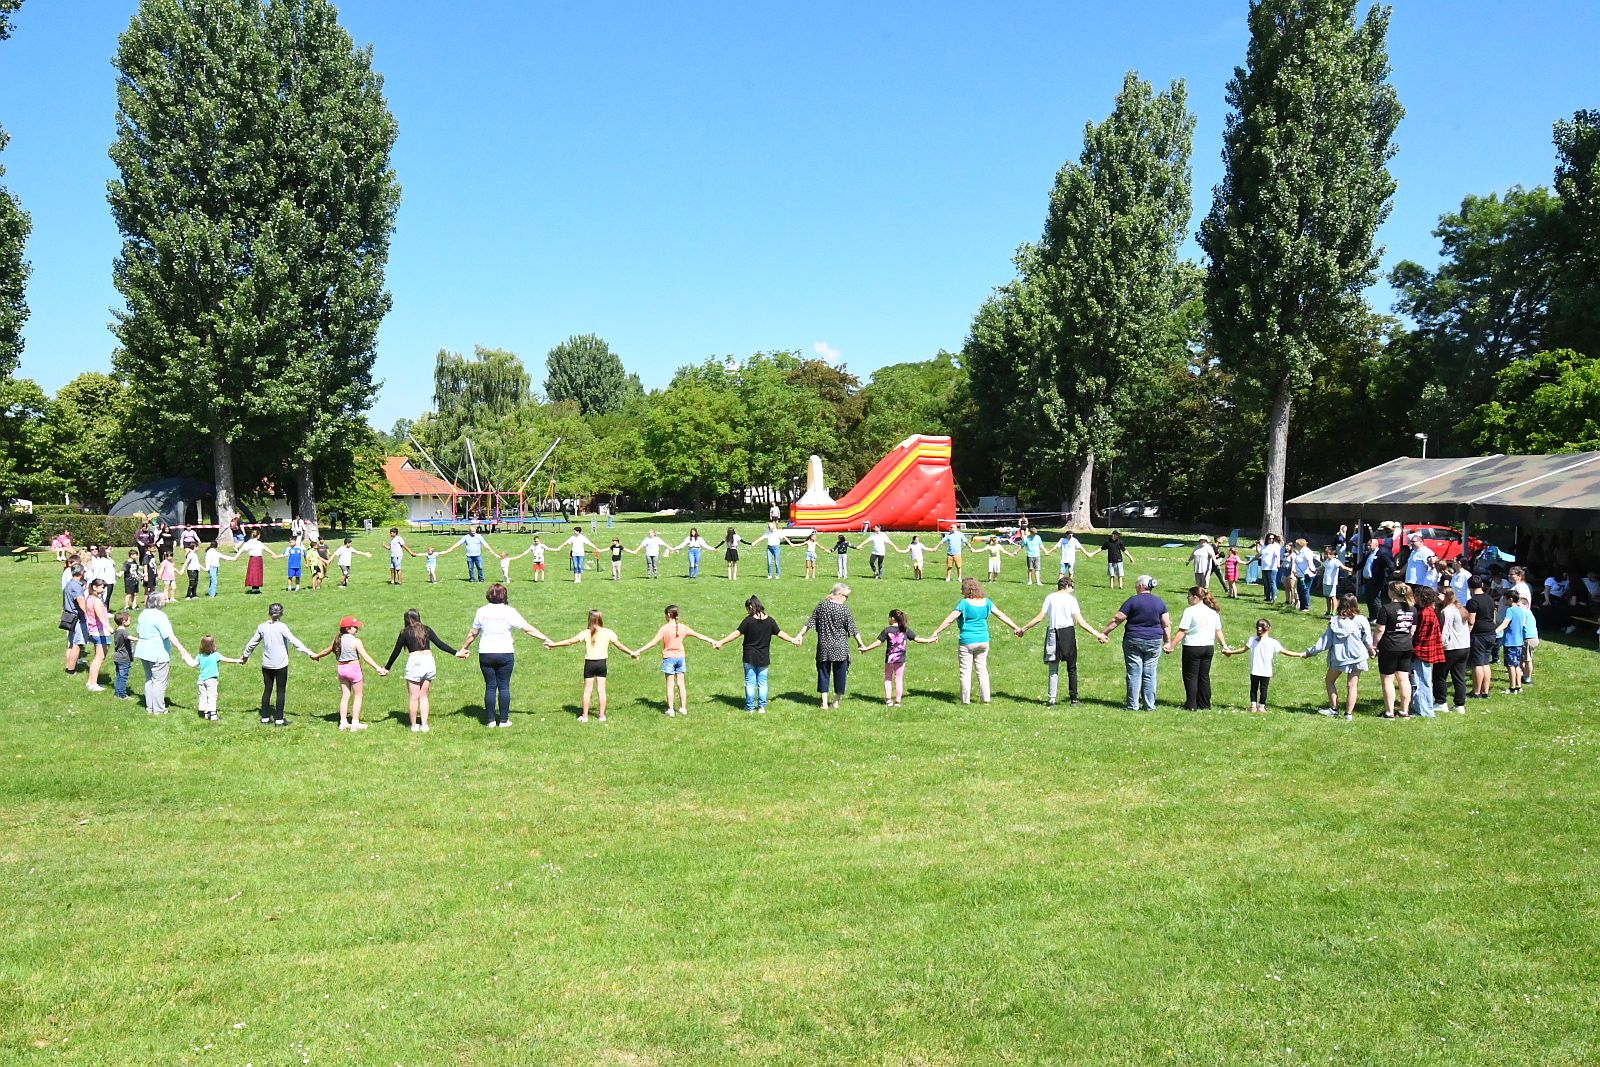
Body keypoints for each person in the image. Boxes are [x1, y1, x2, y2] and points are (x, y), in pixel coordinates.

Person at [456, 582, 550, 727]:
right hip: (505, 653)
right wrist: (545, 638)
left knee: (490, 686)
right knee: (504, 686)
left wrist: (464, 647)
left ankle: (490, 721)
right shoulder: (509, 612)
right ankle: (504, 720)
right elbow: (527, 628)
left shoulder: (481, 611)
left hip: (486, 653)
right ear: (504, 596)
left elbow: (473, 633)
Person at [928, 578, 1022, 705]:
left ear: (967, 590)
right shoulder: (986, 602)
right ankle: (986, 699)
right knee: (982, 670)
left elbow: (949, 620)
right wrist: (1015, 627)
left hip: (967, 641)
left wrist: (936, 632)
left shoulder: (963, 603)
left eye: (962, 588)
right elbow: (1001, 615)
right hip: (983, 641)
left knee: (965, 671)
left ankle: (965, 701)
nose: (961, 591)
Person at [1017, 575, 1106, 706]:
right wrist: (1097, 634)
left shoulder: (1050, 597)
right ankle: (1074, 699)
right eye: (1072, 587)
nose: (1073, 590)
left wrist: (1023, 629)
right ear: (1067, 586)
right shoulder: (1071, 600)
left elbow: (1039, 618)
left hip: (1053, 633)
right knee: (1072, 667)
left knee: (1053, 668)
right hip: (1067, 633)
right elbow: (1080, 622)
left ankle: (1051, 700)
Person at [545, 610, 638, 723]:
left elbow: (570, 642)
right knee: (601, 690)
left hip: (589, 664)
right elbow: (619, 646)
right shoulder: (608, 632)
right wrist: (631, 652)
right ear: (600, 619)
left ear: (589, 619)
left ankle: (585, 716)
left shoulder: (586, 633)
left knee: (587, 691)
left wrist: (553, 644)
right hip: (601, 664)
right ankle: (602, 716)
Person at [711, 596, 797, 714]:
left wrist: (722, 642)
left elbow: (736, 634)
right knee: (763, 682)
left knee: (750, 682)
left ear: (751, 607)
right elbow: (780, 633)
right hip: (764, 657)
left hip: (749, 656)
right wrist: (792, 640)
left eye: (747, 609)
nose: (747, 612)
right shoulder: (770, 621)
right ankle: (761, 707)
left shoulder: (748, 621)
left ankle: (750, 707)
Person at [1098, 575, 1170, 711]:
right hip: (1154, 641)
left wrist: (1105, 632)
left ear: (1141, 586)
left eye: (1137, 585)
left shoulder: (1133, 601)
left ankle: (1132, 705)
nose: (1136, 588)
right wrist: (1167, 642)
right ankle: (1149, 705)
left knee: (1134, 673)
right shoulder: (1159, 602)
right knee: (1150, 674)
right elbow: (1166, 625)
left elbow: (1117, 619)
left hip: (1133, 640)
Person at [793, 583, 870, 709]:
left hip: (824, 646)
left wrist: (800, 635)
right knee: (840, 674)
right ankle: (836, 701)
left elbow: (809, 623)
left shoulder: (822, 606)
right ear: (839, 594)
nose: (847, 599)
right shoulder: (844, 610)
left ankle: (824, 703)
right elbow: (853, 629)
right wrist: (860, 643)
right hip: (840, 648)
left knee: (823, 673)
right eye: (846, 596)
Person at [633, 604, 716, 717]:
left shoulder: (664, 628)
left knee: (670, 685)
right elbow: (699, 635)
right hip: (680, 658)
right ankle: (683, 708)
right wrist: (712, 641)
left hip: (669, 658)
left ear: (668, 615)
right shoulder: (683, 627)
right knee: (681, 684)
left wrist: (639, 651)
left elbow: (653, 643)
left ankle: (671, 710)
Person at [240, 602, 314, 725]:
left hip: (267, 665)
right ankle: (279, 719)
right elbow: (294, 641)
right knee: (280, 691)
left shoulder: (262, 627)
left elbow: (252, 643)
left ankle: (264, 718)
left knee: (267, 689)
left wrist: (245, 656)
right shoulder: (282, 627)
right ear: (281, 614)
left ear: (269, 613)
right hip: (280, 665)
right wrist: (309, 653)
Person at [384, 608, 457, 732]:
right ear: (418, 617)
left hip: (415, 662)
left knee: (413, 697)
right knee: (423, 696)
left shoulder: (405, 632)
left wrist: (387, 668)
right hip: (428, 661)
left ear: (406, 620)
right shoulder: (426, 629)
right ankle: (424, 725)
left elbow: (396, 651)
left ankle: (414, 726)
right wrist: (456, 653)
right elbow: (440, 644)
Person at [311, 616, 388, 730]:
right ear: (348, 629)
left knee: (345, 696)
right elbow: (366, 657)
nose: (357, 629)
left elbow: (327, 650)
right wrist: (378, 668)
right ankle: (355, 723)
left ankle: (343, 722)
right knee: (358, 695)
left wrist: (317, 655)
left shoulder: (337, 640)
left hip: (342, 669)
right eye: (355, 627)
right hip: (354, 670)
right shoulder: (356, 641)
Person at [1305, 594, 1374, 719]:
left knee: (1329, 681)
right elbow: (1367, 639)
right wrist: (1371, 650)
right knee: (1352, 685)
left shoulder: (1335, 621)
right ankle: (1348, 714)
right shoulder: (1362, 620)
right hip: (1358, 656)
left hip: (1340, 657)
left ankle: (1333, 709)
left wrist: (1310, 652)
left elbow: (1325, 642)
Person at [1166, 586, 1231, 711]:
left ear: (1195, 597)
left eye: (1189, 596)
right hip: (1208, 647)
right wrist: (1224, 645)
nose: (1188, 598)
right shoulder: (1212, 612)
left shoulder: (1190, 611)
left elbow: (1182, 631)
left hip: (1192, 647)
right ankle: (1205, 704)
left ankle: (1191, 704)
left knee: (1191, 676)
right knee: (1204, 676)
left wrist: (1171, 646)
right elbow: (1218, 631)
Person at [134, 590, 196, 715]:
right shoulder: (160, 616)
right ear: (157, 602)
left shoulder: (143, 613)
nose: (166, 601)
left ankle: (150, 707)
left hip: (143, 651)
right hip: (157, 652)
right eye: (164, 599)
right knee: (159, 681)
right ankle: (159, 709)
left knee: (149, 679)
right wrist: (180, 648)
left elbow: (139, 631)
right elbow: (168, 635)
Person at [1223, 618, 1304, 712]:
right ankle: (1261, 706)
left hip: (1255, 670)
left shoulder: (1253, 639)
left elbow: (1243, 650)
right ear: (1269, 628)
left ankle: (1254, 706)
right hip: (1265, 671)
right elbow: (1285, 652)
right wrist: (1300, 654)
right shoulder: (1272, 642)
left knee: (1254, 688)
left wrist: (1230, 652)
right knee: (1263, 689)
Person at [859, 608, 936, 707]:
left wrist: (866, 649)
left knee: (888, 678)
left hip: (890, 659)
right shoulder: (905, 630)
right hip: (901, 659)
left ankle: (888, 700)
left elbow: (878, 643)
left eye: (889, 617)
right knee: (899, 679)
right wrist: (930, 640)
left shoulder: (887, 630)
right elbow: (918, 639)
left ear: (892, 618)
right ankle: (898, 702)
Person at [1371, 581, 1418, 719]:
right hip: (1406, 646)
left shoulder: (1386, 609)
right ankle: (1404, 711)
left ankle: (1389, 712)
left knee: (1387, 679)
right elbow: (1412, 630)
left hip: (1389, 647)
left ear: (1392, 592)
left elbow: (1380, 629)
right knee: (1404, 678)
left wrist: (1374, 644)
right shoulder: (1412, 609)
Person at [1434, 586, 1470, 714]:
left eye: (1438, 594)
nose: (1436, 596)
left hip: (1451, 648)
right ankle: (1459, 705)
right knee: (1459, 677)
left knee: (1439, 675)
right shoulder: (1460, 608)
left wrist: (1440, 645)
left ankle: (1441, 702)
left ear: (1446, 596)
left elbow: (1445, 630)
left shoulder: (1447, 611)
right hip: (1464, 647)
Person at [194, 634, 242, 721]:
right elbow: (227, 659)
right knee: (212, 696)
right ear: (213, 645)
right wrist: (237, 660)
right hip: (211, 680)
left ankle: (205, 713)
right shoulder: (215, 655)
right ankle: (213, 715)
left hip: (201, 680)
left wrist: (184, 655)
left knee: (203, 696)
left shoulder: (200, 655)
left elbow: (194, 664)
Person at [1494, 592, 1533, 695]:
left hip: (1510, 642)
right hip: (1519, 642)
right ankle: (1518, 686)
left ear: (1510, 599)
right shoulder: (1521, 610)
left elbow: (1505, 623)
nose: (1503, 601)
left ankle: (1512, 687)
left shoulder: (1510, 610)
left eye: (1504, 599)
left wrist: (1494, 632)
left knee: (1510, 666)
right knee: (1516, 665)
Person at [81, 579, 113, 690]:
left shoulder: (89, 599)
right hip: (100, 632)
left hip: (93, 631)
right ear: (94, 587)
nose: (104, 589)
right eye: (102, 587)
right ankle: (93, 684)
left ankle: (90, 681)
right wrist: (108, 627)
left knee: (97, 658)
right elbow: (100, 616)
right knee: (100, 658)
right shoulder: (96, 601)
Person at [62, 563, 89, 677]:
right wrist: (88, 615)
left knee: (71, 644)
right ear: (81, 573)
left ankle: (68, 666)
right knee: (77, 645)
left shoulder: (69, 584)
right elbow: (80, 600)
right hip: (77, 618)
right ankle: (71, 670)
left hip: (69, 617)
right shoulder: (76, 586)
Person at [234, 530, 279, 595]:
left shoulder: (250, 542)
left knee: (254, 573)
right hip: (257, 559)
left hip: (253, 559)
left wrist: (236, 556)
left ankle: (256, 588)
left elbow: (242, 549)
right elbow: (266, 549)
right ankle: (255, 588)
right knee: (256, 573)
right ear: (258, 536)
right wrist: (273, 554)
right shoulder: (258, 543)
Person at [1319, 545, 1352, 617]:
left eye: (1329, 554)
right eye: (1326, 554)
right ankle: (1328, 611)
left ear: (1333, 555)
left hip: (1332, 582)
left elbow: (1342, 567)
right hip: (1326, 581)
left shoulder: (1336, 561)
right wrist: (1316, 570)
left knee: (1333, 597)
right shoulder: (1326, 561)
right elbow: (1322, 567)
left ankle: (1334, 611)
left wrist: (1351, 570)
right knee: (1327, 597)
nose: (1327, 555)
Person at [111, 611, 134, 701]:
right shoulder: (123, 632)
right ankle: (123, 695)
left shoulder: (116, 630)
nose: (130, 622)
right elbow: (130, 638)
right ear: (124, 621)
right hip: (124, 658)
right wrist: (140, 639)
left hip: (117, 657)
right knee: (123, 677)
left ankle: (117, 694)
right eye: (129, 620)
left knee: (119, 676)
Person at [1256, 533, 1282, 605]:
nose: (1271, 540)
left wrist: (1278, 564)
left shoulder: (1276, 546)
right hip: (1264, 567)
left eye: (1272, 538)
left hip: (1272, 568)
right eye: (1269, 538)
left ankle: (1273, 598)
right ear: (1267, 539)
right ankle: (1267, 597)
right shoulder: (1264, 546)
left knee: (1272, 582)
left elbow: (1277, 555)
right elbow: (1259, 553)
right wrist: (1257, 545)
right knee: (1266, 583)